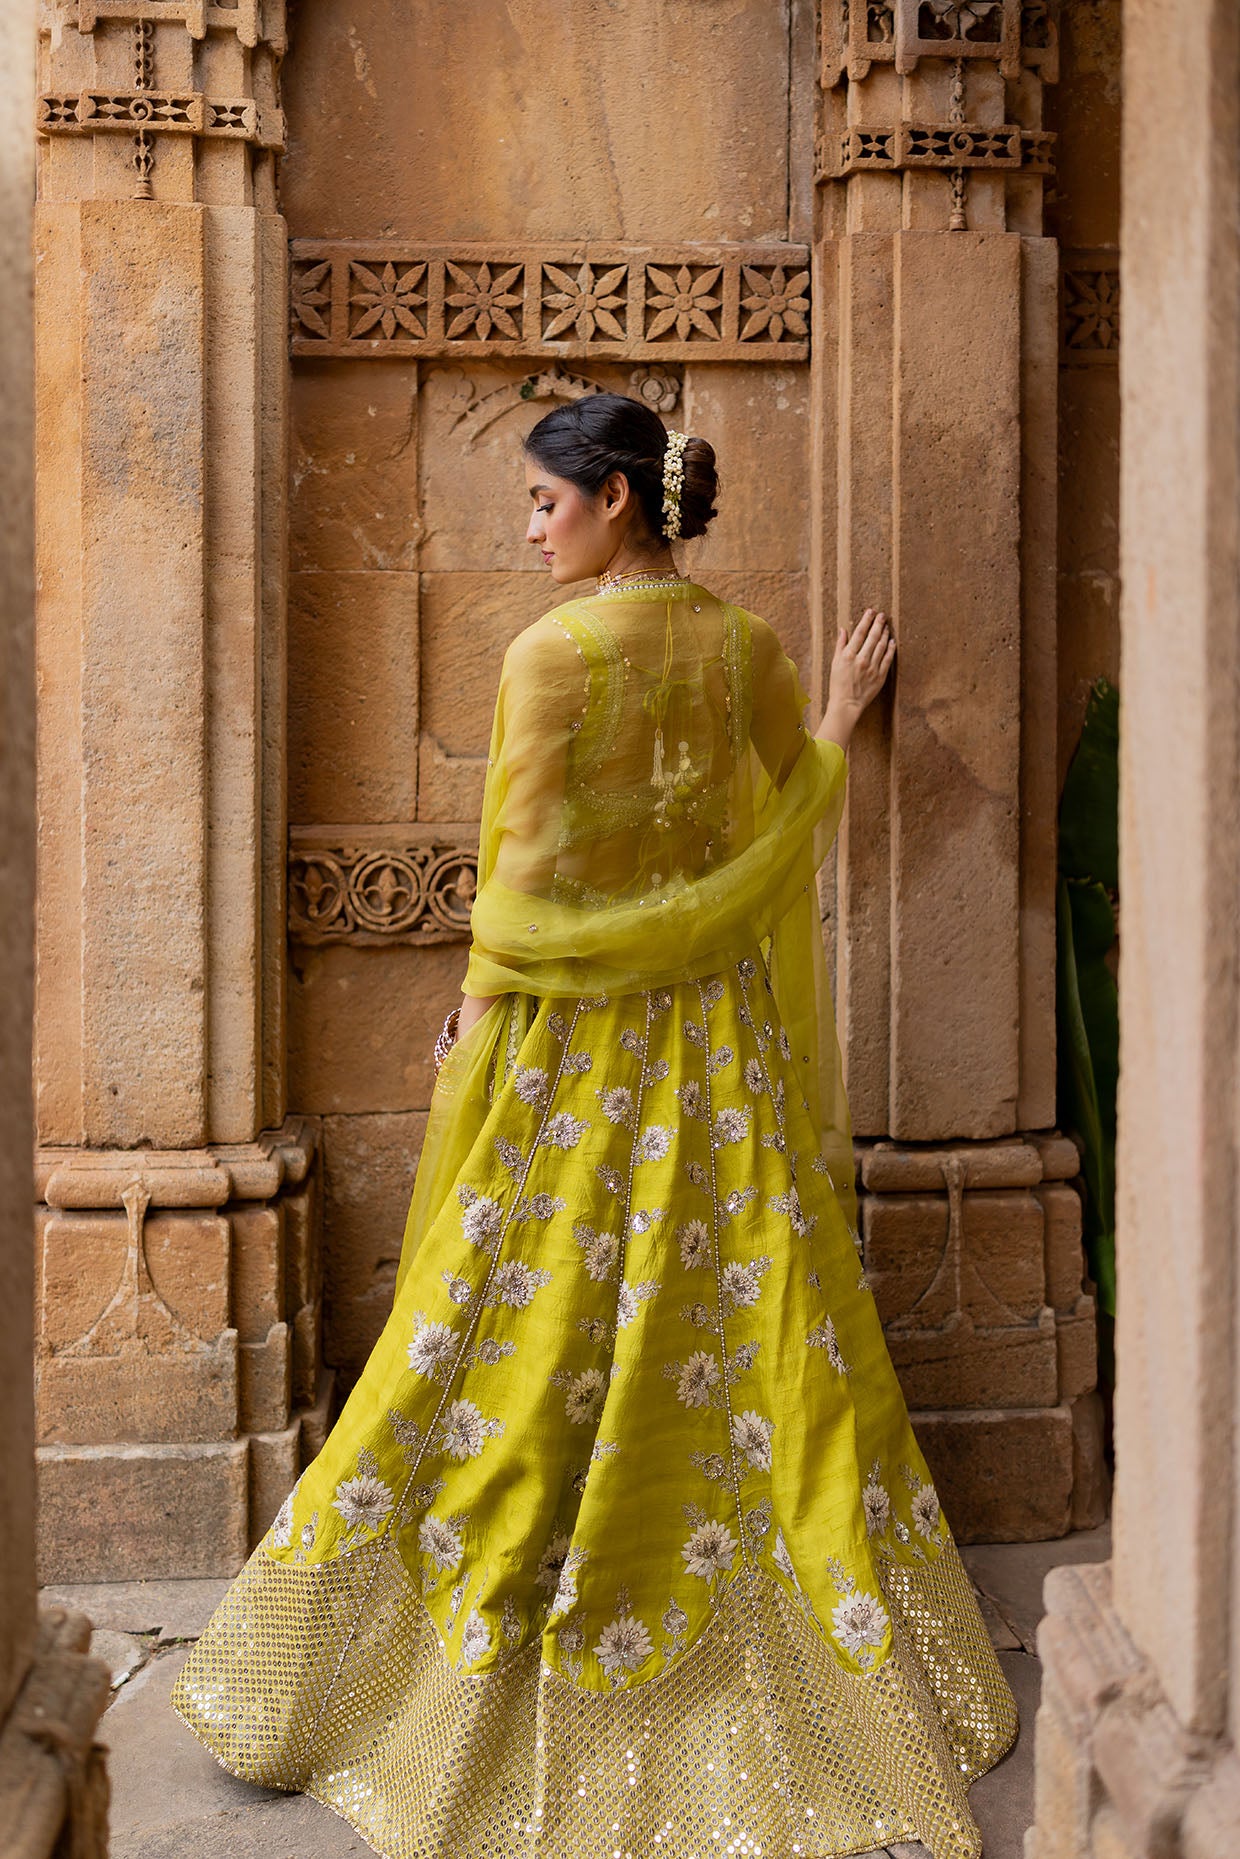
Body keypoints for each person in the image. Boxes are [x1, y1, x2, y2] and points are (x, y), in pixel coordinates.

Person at [173, 393, 1016, 1859]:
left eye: (545, 502)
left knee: (504, 1325)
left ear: (620, 498)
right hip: (720, 1054)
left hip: (573, 1059)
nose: (527, 527)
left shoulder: (550, 657)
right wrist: (833, 713)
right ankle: (832, 1663)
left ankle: (383, 1666)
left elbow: (522, 889)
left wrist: (475, 1017)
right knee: (758, 1325)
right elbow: (778, 826)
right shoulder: (749, 648)